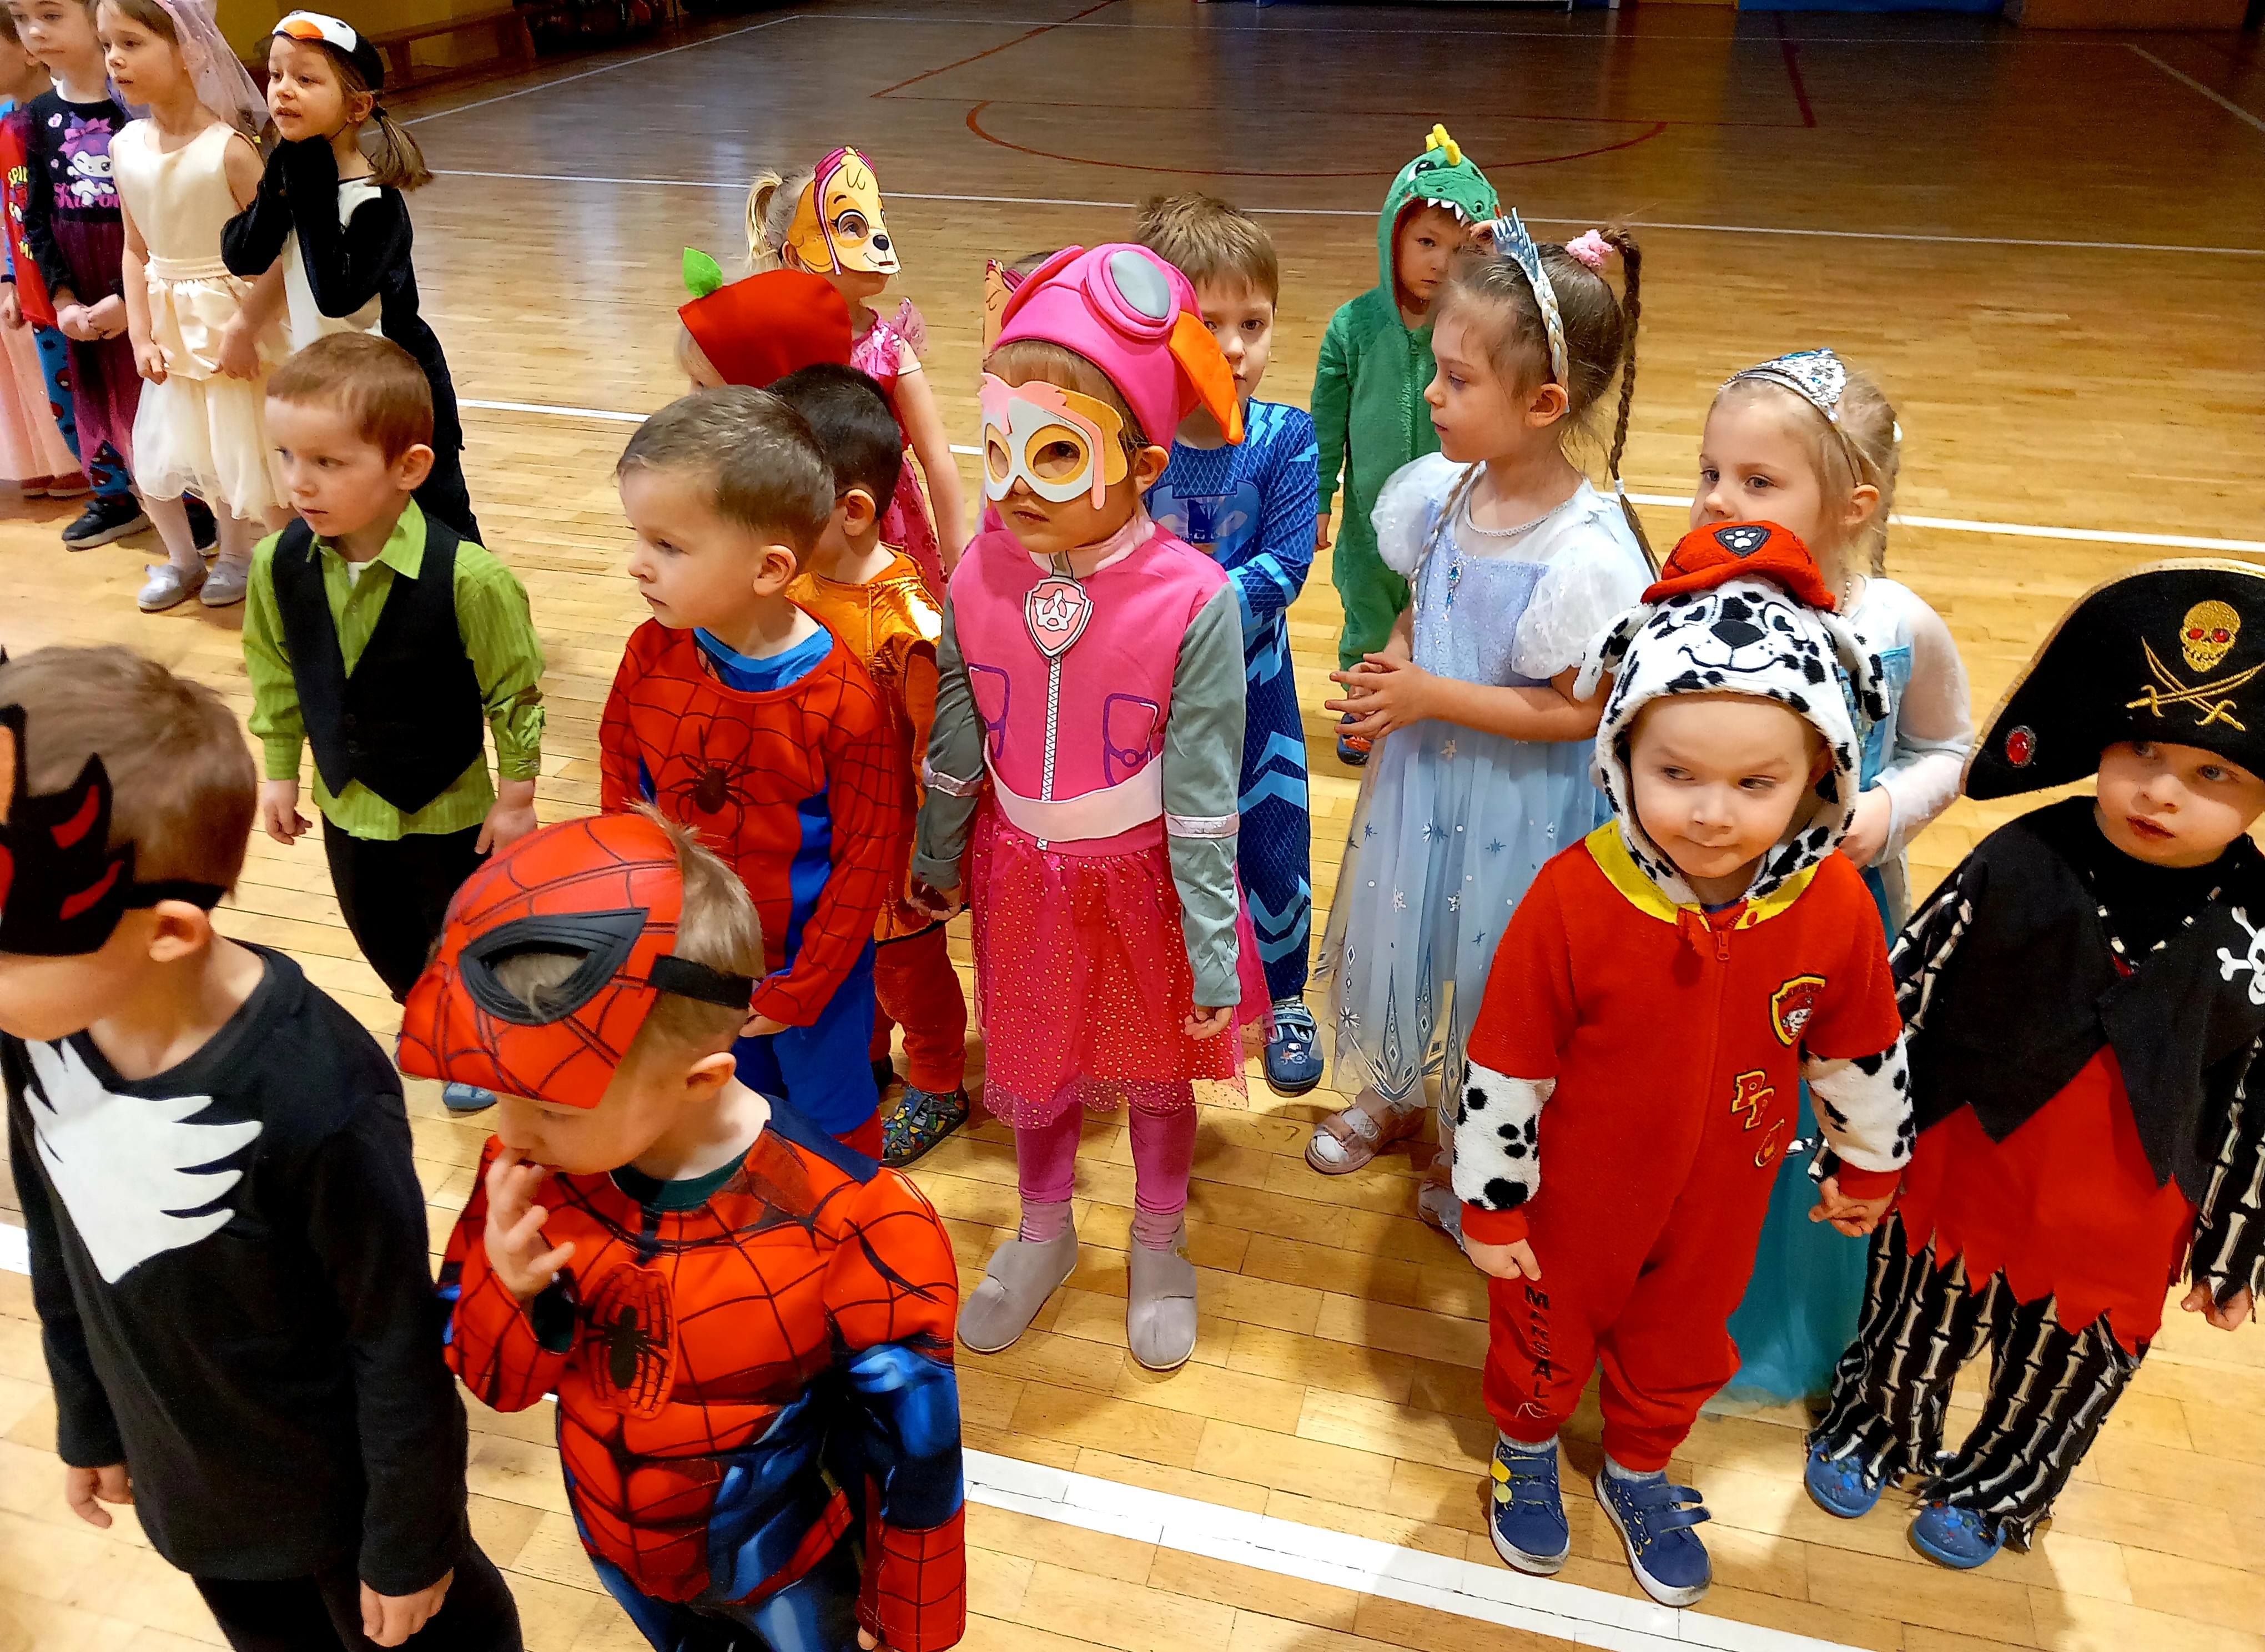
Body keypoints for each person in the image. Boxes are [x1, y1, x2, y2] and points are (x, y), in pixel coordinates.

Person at [0, 646, 523, 1652]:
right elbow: (60, 1228)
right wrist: (89, 1413)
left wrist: (411, 1542)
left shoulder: (317, 1095)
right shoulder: (40, 1030)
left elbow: (393, 1337)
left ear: (167, 933)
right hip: (194, 1491)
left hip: (349, 1509)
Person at [1452, 523, 1914, 1608]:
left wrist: (1871, 1163)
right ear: (1623, 755)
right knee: (1542, 1330)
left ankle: (1639, 1465)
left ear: (1820, 773)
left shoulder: (1833, 906)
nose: (1711, 812)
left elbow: (1860, 1042)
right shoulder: (1574, 896)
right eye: (1676, 774)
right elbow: (1504, 1064)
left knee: (1683, 1337)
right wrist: (1490, 1202)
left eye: (1756, 782)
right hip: (1571, 1205)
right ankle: (1526, 1446)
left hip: (1724, 1199)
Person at [405, 810, 965, 1652]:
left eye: (553, 1105)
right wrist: (514, 1294)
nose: (511, 1131)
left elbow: (917, 1452)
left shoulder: (863, 1224)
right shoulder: (530, 1178)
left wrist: (911, 1621)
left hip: (790, 1574)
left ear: (702, 1079)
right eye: (502, 1092)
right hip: (617, 1548)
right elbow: (499, 1388)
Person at [1806, 561, 2265, 1572]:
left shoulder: (2260, 931)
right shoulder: (2015, 857)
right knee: (1910, 1321)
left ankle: (2004, 1485)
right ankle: (1877, 1427)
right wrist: (1856, 1147)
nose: (2160, 790)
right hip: (1959, 1171)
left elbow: (2257, 1109)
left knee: (2066, 1373)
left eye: (2213, 775)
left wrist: (2236, 1250)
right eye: (2142, 750)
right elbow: (1898, 997)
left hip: (2125, 1217)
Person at [911, 242, 1265, 1373]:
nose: (1015, 485)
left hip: (1149, 878)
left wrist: (1212, 947)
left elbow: (1204, 792)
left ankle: (1159, 1240)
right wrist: (937, 855)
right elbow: (958, 731)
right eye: (998, 445)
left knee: (1157, 1071)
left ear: (1142, 463)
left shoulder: (1195, 599)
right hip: (1023, 872)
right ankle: (1042, 1229)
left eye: (1056, 452)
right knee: (1034, 1062)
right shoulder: (979, 573)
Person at [1308, 216, 1650, 1205]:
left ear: (1544, 403)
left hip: (1520, 810)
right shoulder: (1443, 495)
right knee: (1409, 937)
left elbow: (1576, 714)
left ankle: (1478, 1137)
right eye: (1437, 370)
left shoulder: (1588, 553)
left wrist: (1430, 694)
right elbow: (1424, 607)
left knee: (1497, 973)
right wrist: (1395, 667)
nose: (1431, 393)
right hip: (1422, 787)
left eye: (1458, 380)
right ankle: (1395, 1087)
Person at [1705, 349, 1974, 1406]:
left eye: (1758, 482)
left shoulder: (1897, 625)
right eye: (1711, 472)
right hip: (1711, 911)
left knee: (1806, 1112)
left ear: (1854, 504)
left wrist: (1887, 812)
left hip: (1836, 923)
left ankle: (1782, 1312)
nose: (1720, 499)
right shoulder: (1695, 605)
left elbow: (1948, 747)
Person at [243, 333, 543, 1114]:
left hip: (448, 805)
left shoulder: (471, 578)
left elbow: (514, 693)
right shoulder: (277, 565)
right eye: (286, 456)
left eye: (328, 462)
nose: (299, 482)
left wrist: (517, 796)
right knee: (379, 930)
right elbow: (276, 671)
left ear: (408, 468)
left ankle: (478, 1033)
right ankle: (429, 1009)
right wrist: (280, 770)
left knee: (465, 927)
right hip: (347, 802)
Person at [601, 386, 903, 1155]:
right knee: (726, 1114)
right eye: (639, 537)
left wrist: (804, 986)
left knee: (836, 1129)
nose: (637, 565)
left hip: (811, 976)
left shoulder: (846, 703)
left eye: (668, 546)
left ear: (770, 568)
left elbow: (867, 860)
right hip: (690, 961)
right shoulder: (648, 653)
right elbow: (622, 795)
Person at [1135, 192, 1325, 1099]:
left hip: (1258, 692)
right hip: (1151, 701)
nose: (1238, 347)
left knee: (1273, 840)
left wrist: (1172, 611)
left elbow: (1284, 568)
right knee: (1163, 843)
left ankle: (1286, 996)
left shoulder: (1287, 438)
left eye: (1255, 322)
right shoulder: (1133, 444)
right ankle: (1177, 980)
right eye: (1210, 325)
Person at [771, 361, 970, 1168]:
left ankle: (940, 1080)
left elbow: (940, 757)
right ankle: (869, 1056)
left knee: (907, 970)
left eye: (779, 503)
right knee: (855, 962)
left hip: (893, 848)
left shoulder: (907, 624)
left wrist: (934, 859)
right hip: (829, 832)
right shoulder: (801, 582)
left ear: (852, 511)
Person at [219, 10, 479, 541]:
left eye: (305, 79)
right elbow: (242, 255)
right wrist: (276, 187)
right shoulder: (298, 176)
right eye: (276, 75)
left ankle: (473, 594)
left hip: (400, 389)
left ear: (358, 106)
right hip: (335, 386)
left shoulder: (376, 202)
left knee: (437, 520)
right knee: (354, 522)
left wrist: (309, 189)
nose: (283, 90)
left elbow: (337, 295)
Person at [1310, 125, 1497, 763]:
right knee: (1368, 619)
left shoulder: (1477, 329)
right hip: (1369, 525)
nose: (1440, 264)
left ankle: (1435, 709)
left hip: (1458, 519)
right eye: (1425, 243)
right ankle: (1365, 710)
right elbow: (1325, 424)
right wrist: (1318, 501)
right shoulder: (1354, 327)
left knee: (1446, 616)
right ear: (1392, 236)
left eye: (1458, 249)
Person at [104, 0, 288, 611]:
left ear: (192, 51)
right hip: (168, 326)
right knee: (156, 454)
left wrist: (245, 329)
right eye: (108, 45)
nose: (114, 59)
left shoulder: (229, 150)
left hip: (229, 322)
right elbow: (135, 249)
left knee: (232, 451)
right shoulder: (125, 147)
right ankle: (182, 558)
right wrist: (139, 334)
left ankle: (236, 555)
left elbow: (277, 255)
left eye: (132, 43)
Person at [747, 148, 965, 593]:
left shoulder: (891, 349)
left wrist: (957, 553)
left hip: (883, 526)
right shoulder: (772, 344)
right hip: (799, 519)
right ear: (796, 254)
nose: (877, 241)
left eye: (875, 221)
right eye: (849, 227)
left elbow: (937, 457)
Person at [14, 0, 152, 547]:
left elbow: (156, 214)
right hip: (73, 282)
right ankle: (114, 497)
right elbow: (36, 215)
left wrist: (128, 297)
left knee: (153, 394)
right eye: (21, 18)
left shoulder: (136, 108)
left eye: (51, 15)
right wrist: (63, 297)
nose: (34, 31)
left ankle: (188, 502)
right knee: (80, 396)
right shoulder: (35, 116)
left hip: (135, 277)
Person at [0, 4, 84, 497]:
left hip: (78, 278)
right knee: (64, 397)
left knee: (105, 390)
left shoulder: (61, 117)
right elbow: (13, 211)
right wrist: (11, 277)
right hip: (36, 286)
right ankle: (108, 488)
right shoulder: (7, 121)